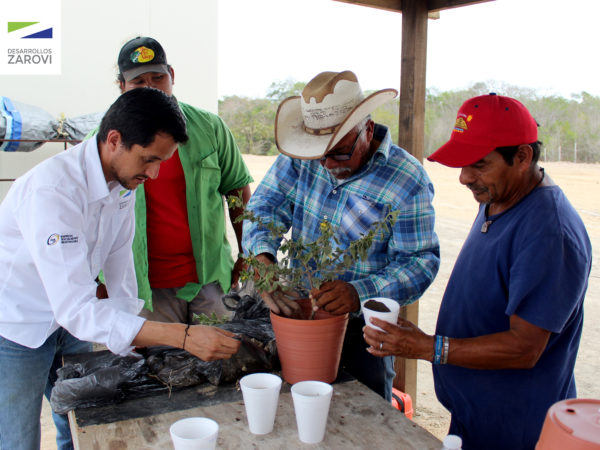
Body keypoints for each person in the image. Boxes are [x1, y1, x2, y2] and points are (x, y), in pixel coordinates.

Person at [0, 88, 241, 450]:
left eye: (161, 161)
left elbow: (120, 269)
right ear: (114, 140)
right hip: (19, 326)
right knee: (19, 437)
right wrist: (182, 336)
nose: (155, 173)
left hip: (71, 325)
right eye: (148, 159)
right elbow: (77, 308)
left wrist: (129, 343)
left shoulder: (125, 184)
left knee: (82, 421)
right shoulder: (54, 191)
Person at [363, 93, 592, 449]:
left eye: (479, 164)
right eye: (462, 164)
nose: (464, 178)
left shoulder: (549, 232)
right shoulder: (500, 197)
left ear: (522, 157)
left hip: (516, 427)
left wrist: (429, 347)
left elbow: (524, 348)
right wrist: (423, 341)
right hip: (476, 416)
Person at [242, 70, 440, 400]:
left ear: (369, 129)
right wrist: (263, 259)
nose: (328, 164)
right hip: (298, 315)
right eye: (319, 155)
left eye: (340, 153)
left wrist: (358, 292)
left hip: (365, 331)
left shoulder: (407, 179)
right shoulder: (303, 157)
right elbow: (264, 207)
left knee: (366, 416)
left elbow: (419, 263)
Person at [90, 36, 253, 324]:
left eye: (158, 77)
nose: (150, 87)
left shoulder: (210, 128)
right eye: (139, 81)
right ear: (122, 86)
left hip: (210, 278)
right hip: (142, 285)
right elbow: (89, 213)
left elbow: (237, 191)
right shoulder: (106, 140)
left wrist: (246, 254)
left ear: (172, 76)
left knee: (222, 358)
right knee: (160, 363)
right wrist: (97, 279)